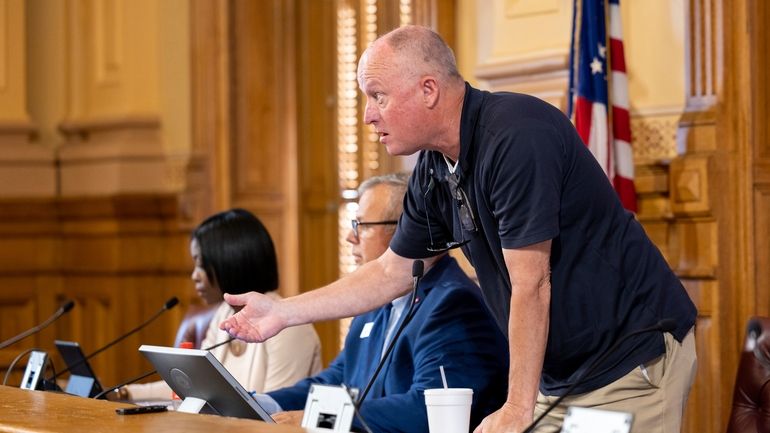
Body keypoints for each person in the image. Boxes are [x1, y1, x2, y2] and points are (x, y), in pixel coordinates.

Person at [221, 25, 697, 433]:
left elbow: (532, 283)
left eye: (378, 96)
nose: (368, 114)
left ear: (428, 90)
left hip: (630, 360)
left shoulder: (516, 137)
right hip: (560, 376)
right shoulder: (433, 166)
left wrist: (516, 407)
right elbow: (391, 273)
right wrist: (283, 313)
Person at [256, 173, 508, 433]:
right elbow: (339, 381)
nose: (350, 238)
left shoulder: (453, 303)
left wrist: (316, 417)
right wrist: (265, 404)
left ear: (407, 230)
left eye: (361, 226)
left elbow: (427, 410)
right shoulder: (373, 302)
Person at [122, 209, 322, 401]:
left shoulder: (287, 327)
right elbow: (190, 386)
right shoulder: (224, 313)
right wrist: (125, 394)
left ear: (229, 261)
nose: (194, 276)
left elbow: (276, 414)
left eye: (200, 264)